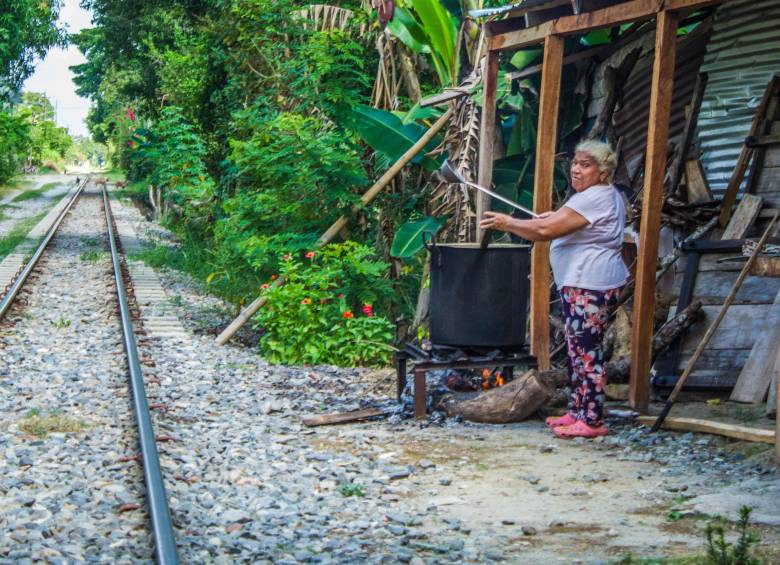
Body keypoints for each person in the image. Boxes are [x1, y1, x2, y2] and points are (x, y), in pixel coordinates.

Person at [479, 140, 628, 439]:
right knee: (576, 352)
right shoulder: (595, 196)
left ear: (603, 172)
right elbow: (556, 222)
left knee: (587, 352)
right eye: (575, 162)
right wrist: (547, 219)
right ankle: (578, 410)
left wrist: (508, 222)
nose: (576, 169)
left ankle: (593, 420)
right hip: (582, 284)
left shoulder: (596, 197)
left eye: (585, 165)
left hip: (590, 284)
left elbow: (545, 231)